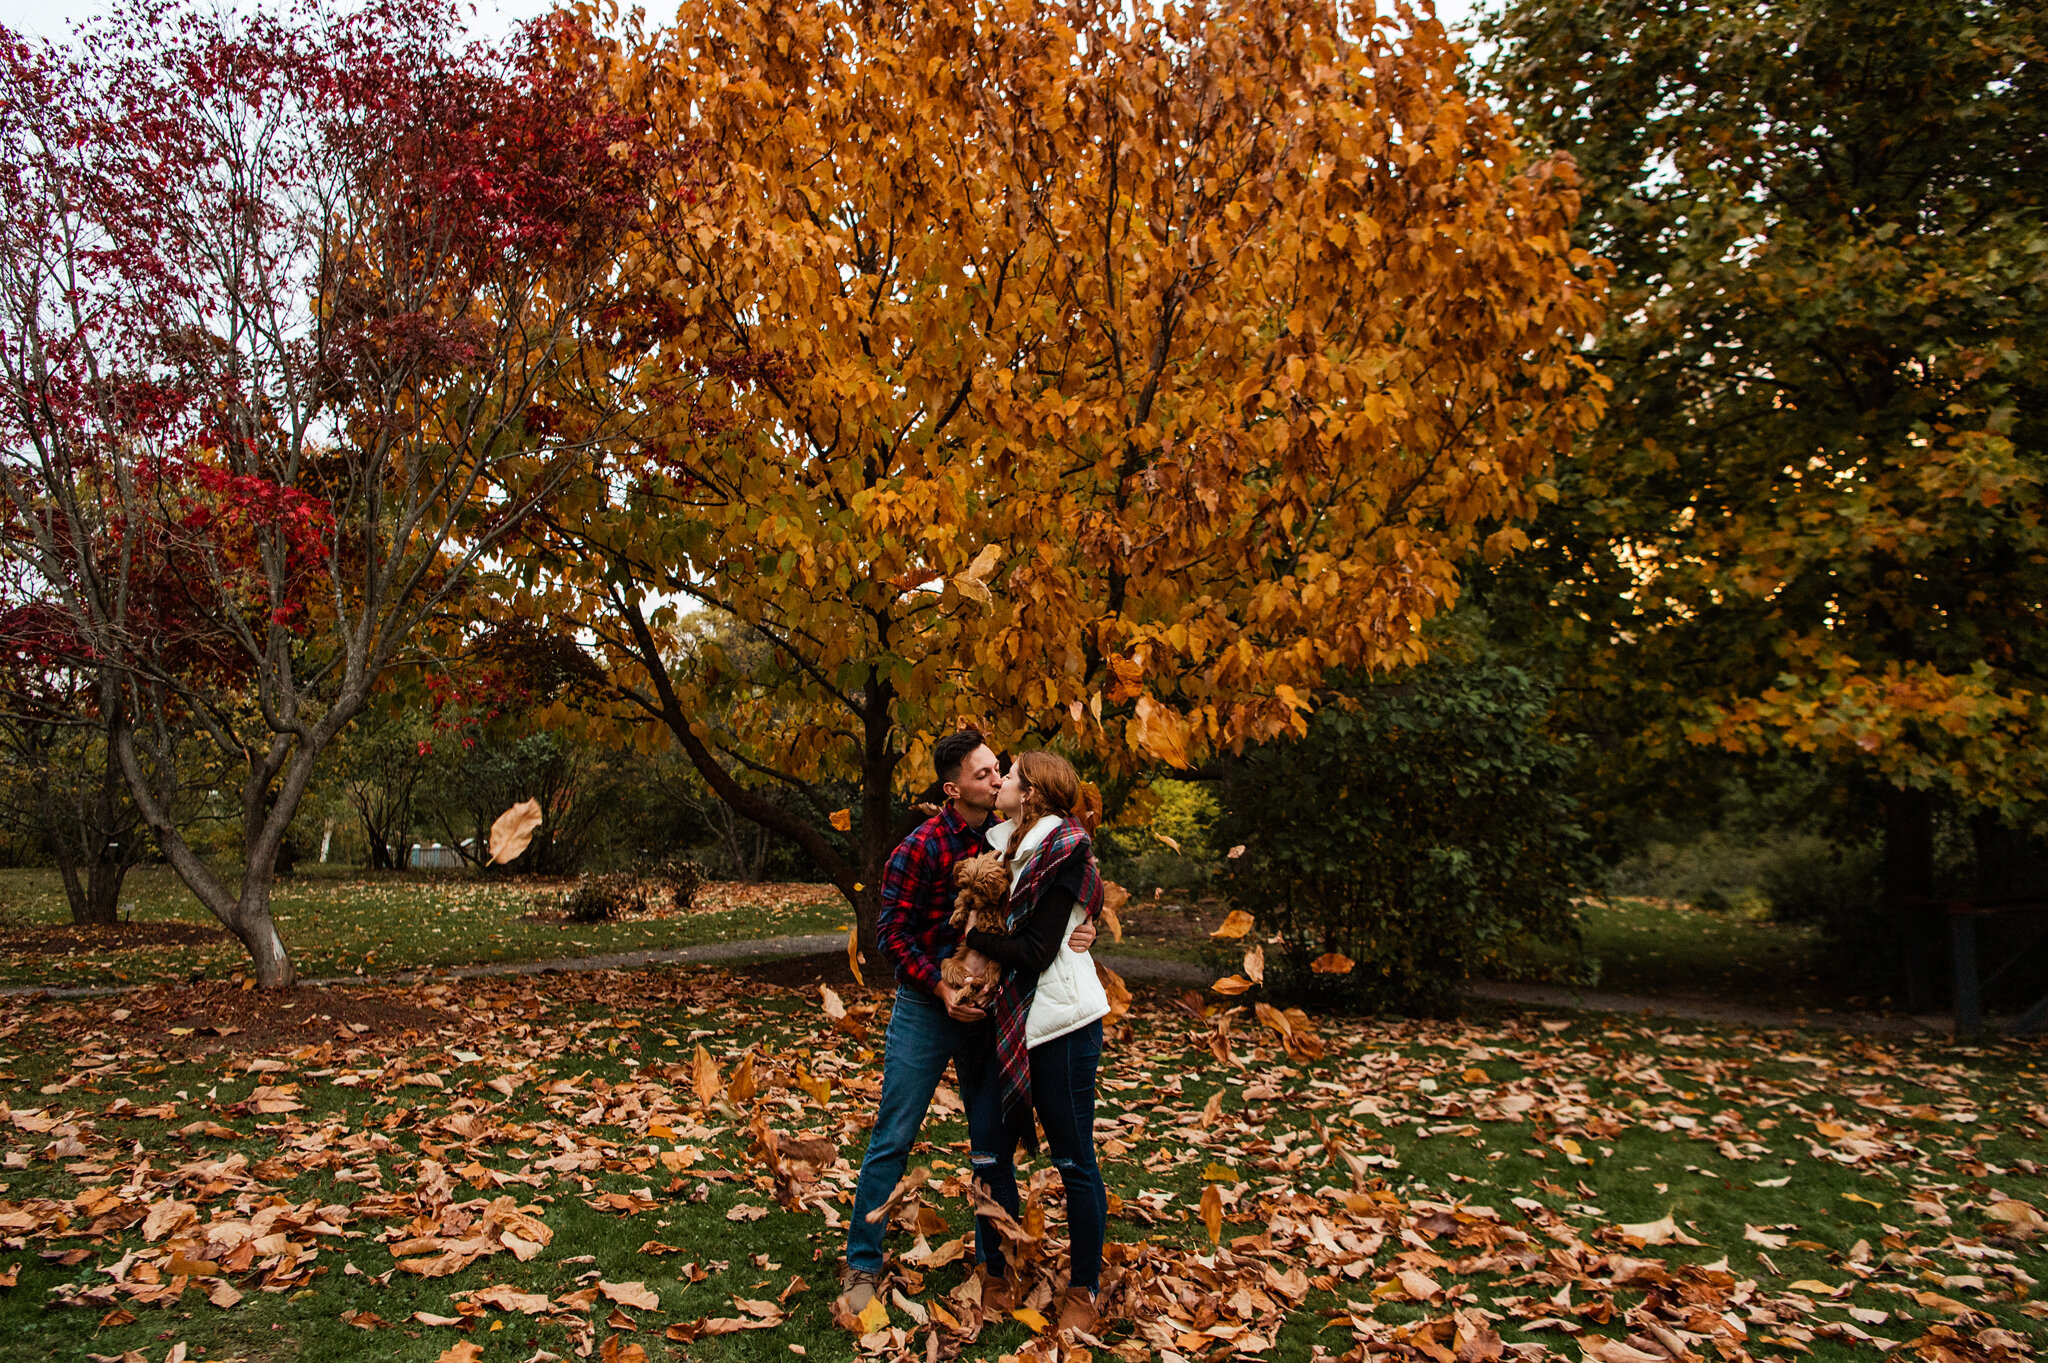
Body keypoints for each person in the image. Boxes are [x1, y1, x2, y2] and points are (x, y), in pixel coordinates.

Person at [837, 730, 1095, 1319]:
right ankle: (862, 1261)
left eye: (1000, 769)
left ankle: (992, 1264)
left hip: (992, 1010)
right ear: (953, 789)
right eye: (984, 774)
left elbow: (1072, 885)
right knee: (894, 1135)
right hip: (928, 1008)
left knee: (990, 1145)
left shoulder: (1018, 840)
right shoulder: (921, 847)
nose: (998, 778)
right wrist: (939, 984)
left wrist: (1090, 922)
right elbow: (889, 936)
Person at [961, 750, 1112, 1335]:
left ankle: (1085, 1287)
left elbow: (1033, 951)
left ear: (1032, 792)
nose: (1000, 780)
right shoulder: (1005, 849)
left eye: (1011, 775)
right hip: (1008, 1021)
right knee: (990, 1149)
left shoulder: (1064, 855)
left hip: (1063, 1026)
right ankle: (994, 1269)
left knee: (1073, 1157)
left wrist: (976, 936)